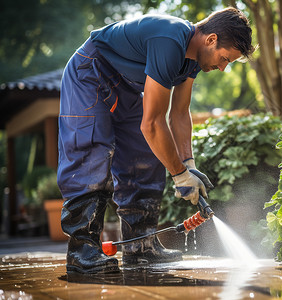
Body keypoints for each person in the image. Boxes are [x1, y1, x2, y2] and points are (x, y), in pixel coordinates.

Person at [57, 7, 254, 274]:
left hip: (125, 87)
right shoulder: (170, 38)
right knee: (90, 154)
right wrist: (179, 175)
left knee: (145, 156)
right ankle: (82, 250)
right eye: (224, 59)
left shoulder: (193, 60)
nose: (221, 68)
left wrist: (188, 163)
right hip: (90, 73)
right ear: (211, 40)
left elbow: (180, 114)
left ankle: (141, 247)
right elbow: (151, 124)